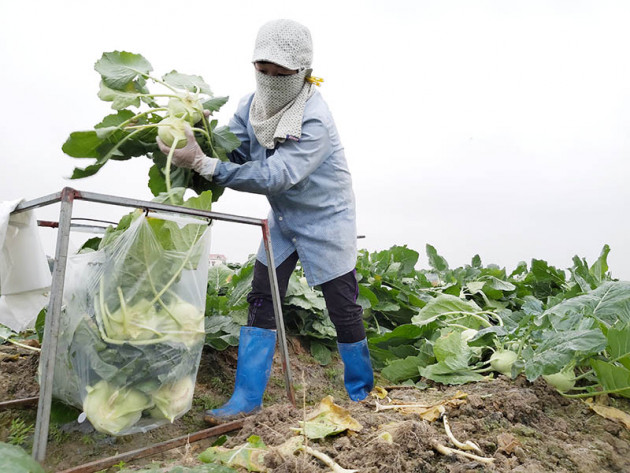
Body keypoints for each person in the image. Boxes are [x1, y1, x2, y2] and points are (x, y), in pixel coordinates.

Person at [157, 18, 374, 424]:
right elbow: (235, 151)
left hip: (327, 219)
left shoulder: (314, 120)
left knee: (342, 306)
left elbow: (278, 175)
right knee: (261, 297)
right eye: (263, 69)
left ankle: (362, 394)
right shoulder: (249, 107)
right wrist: (198, 134)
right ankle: (245, 399)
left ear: (303, 72)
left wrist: (204, 163)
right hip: (284, 217)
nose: (271, 79)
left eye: (282, 73)